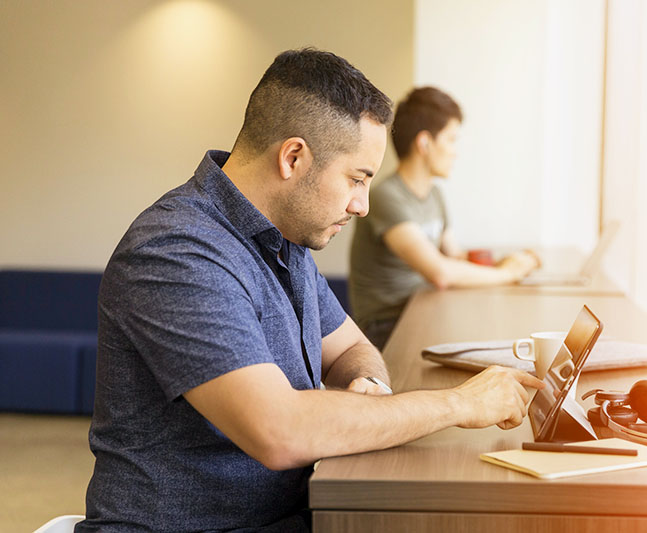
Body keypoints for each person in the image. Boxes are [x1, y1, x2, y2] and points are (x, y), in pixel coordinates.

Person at [77, 49, 543, 532]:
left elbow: (353, 349)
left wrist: (371, 390)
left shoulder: (285, 240)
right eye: (357, 179)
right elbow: (279, 430)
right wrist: (461, 404)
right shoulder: (176, 252)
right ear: (293, 157)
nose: (362, 205)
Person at [349, 87, 540, 349]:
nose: (455, 152)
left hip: (424, 308)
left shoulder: (434, 195)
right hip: (388, 326)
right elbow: (440, 272)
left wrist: (504, 262)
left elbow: (454, 257)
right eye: (451, 140)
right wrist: (507, 274)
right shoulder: (386, 197)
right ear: (425, 143)